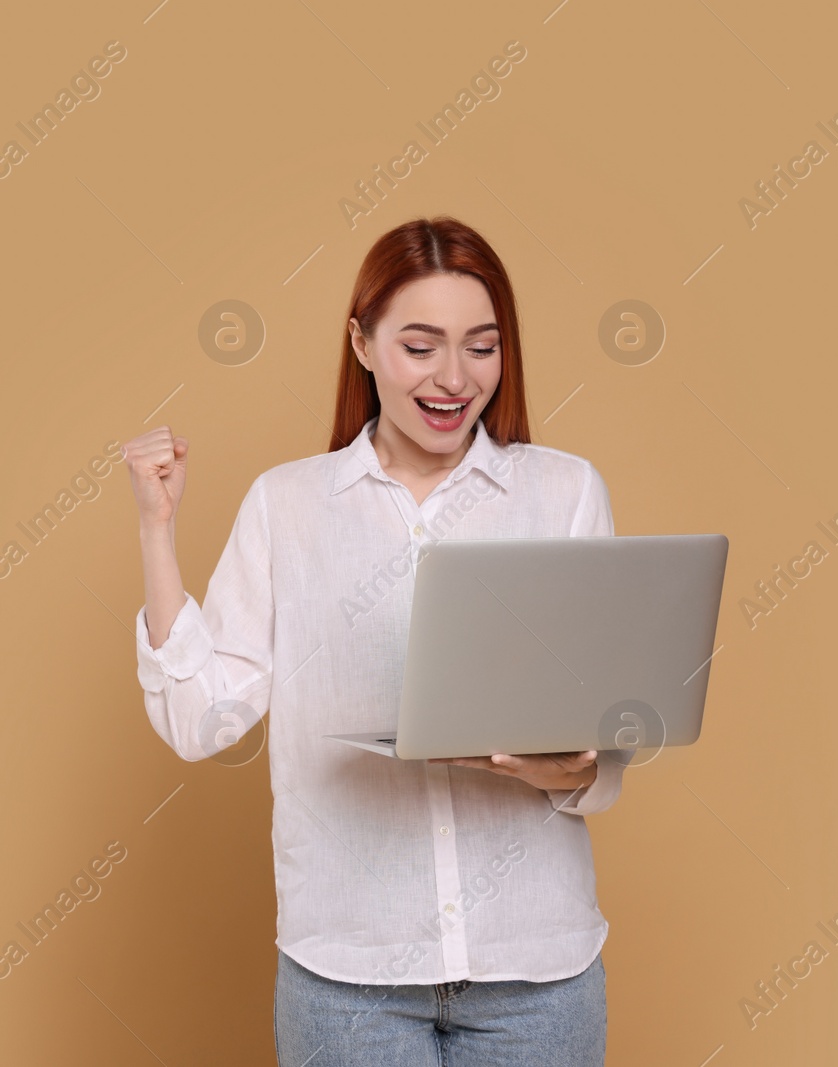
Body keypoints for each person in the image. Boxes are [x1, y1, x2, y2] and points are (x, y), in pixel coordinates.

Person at [123, 215, 630, 1066]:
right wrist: (156, 532)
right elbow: (200, 722)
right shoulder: (288, 506)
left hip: (538, 973)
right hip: (346, 979)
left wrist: (568, 768)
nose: (454, 377)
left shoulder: (565, 493)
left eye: (481, 345)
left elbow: (598, 750)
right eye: (420, 346)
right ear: (361, 342)